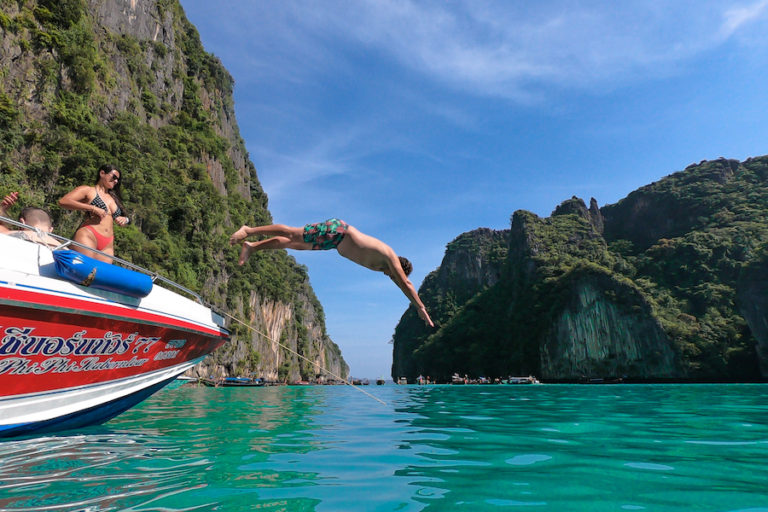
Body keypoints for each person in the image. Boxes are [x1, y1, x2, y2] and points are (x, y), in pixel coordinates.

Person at [230, 219, 435, 327]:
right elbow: (405, 285)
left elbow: (401, 284)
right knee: (293, 233)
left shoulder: (384, 265)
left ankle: (253, 246)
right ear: (399, 267)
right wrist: (420, 308)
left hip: (333, 242)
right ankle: (249, 230)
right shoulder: (390, 258)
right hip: (338, 231)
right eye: (394, 275)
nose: (390, 277)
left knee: (293, 244)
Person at [59, 164, 130, 263]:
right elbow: (63, 201)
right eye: (114, 177)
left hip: (108, 243)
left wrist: (125, 219)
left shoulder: (114, 198)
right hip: (89, 234)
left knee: (100, 276)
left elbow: (127, 218)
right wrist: (92, 208)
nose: (116, 181)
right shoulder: (88, 190)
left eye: (118, 179)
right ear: (102, 173)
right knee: (84, 269)